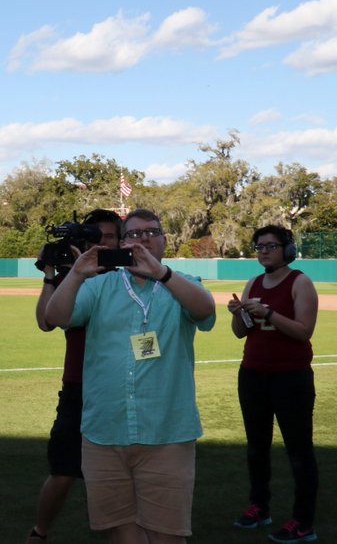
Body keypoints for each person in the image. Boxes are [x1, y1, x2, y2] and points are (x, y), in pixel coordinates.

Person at [45, 208, 216, 544]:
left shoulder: (181, 283)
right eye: (134, 234)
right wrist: (76, 275)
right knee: (123, 533)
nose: (144, 239)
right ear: (122, 242)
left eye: (152, 231)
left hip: (167, 433)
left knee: (168, 535)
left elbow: (205, 309)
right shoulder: (99, 285)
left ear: (165, 240)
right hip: (105, 433)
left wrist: (163, 275)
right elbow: (56, 316)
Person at [28, 208, 123, 544]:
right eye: (93, 236)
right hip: (78, 386)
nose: (100, 242)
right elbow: (45, 321)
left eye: (108, 236)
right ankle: (39, 533)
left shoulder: (129, 275)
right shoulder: (75, 276)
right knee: (63, 471)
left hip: (119, 387)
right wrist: (52, 273)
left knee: (117, 477)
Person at [228, 226, 319, 544]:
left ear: (287, 250)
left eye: (271, 245)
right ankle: (259, 507)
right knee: (256, 447)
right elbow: (241, 332)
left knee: (298, 451)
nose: (263, 251)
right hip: (252, 374)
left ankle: (303, 521)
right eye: (259, 246)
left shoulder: (301, 282)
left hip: (290, 376)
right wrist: (239, 314)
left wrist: (269, 312)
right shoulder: (253, 282)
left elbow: (303, 331)